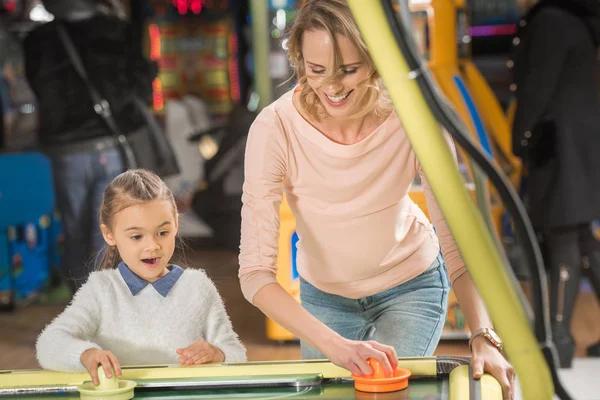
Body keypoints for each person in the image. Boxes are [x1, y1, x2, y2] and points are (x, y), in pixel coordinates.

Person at [238, 0, 514, 398]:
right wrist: (336, 346)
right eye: (316, 70)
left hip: (410, 284)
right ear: (299, 58)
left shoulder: (417, 118)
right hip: (324, 297)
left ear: (376, 59)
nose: (332, 86)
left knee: (385, 393)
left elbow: (457, 243)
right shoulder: (274, 128)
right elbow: (255, 274)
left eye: (349, 70)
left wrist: (483, 335)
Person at [36, 169, 246, 386]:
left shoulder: (198, 287)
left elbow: (237, 353)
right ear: (109, 235)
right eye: (136, 236)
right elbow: (49, 343)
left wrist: (218, 353)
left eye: (162, 233)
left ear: (175, 223)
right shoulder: (101, 290)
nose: (152, 246)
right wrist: (86, 354)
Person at [23, 0, 157, 294]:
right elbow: (139, 88)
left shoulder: (38, 39)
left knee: (75, 232)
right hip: (109, 145)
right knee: (110, 232)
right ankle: (105, 310)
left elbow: (37, 91)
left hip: (65, 152)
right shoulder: (117, 30)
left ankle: (83, 305)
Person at [511, 0, 600, 368]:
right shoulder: (574, 18)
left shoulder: (549, 21)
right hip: (577, 145)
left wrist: (520, 136)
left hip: (558, 148)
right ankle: (557, 337)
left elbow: (537, 86)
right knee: (580, 240)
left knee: (563, 235)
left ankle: (556, 340)